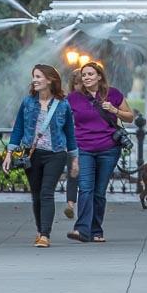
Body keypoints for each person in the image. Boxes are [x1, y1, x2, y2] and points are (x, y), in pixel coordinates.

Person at [3, 64, 78, 247]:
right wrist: (9, 153)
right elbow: (18, 128)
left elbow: (70, 133)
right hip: (32, 154)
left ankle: (45, 235)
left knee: (46, 192)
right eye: (34, 76)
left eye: (38, 76)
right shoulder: (28, 102)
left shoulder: (63, 104)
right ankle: (40, 230)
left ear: (50, 79)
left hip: (56, 154)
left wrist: (74, 158)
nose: (34, 80)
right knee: (36, 195)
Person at [67, 61, 135, 243]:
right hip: (84, 149)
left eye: (90, 74)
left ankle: (96, 230)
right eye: (84, 75)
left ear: (99, 76)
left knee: (99, 192)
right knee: (85, 188)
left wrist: (114, 110)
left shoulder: (113, 94)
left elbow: (130, 117)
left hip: (108, 149)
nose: (86, 77)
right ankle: (81, 229)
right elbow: (63, 120)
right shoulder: (73, 98)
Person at [63, 66, 82, 221]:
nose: (79, 86)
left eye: (81, 83)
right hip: (74, 143)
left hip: (89, 142)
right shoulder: (68, 101)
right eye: (76, 83)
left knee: (87, 177)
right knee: (73, 174)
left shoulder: (94, 100)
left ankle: (85, 206)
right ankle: (70, 205)